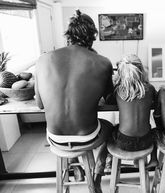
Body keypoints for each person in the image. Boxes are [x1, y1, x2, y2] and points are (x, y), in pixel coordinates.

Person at [34, 9, 114, 191]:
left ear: (68, 35)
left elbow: (39, 104)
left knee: (70, 127)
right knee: (111, 128)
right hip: (87, 138)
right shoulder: (103, 62)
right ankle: (97, 178)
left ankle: (73, 164)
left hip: (55, 139)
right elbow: (109, 99)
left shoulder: (43, 59)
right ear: (92, 37)